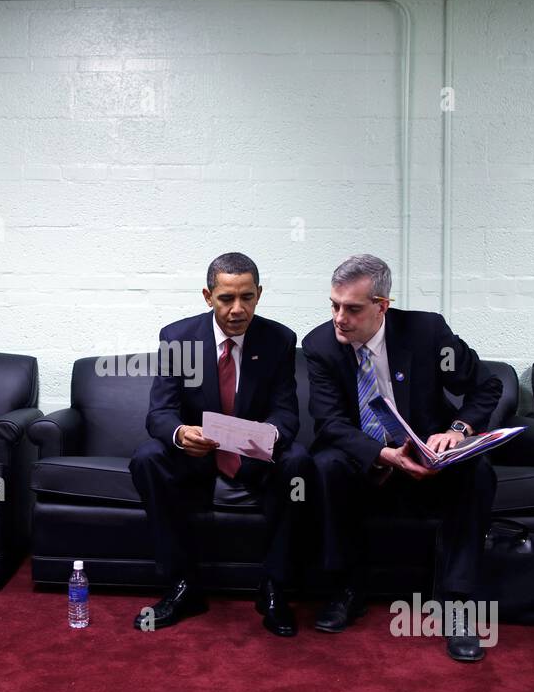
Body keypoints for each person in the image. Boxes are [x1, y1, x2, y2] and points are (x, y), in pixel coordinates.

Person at [302, 254, 501, 662]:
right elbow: (330, 422)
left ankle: (457, 604)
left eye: (353, 308)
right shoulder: (320, 345)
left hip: (430, 459)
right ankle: (347, 589)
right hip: (366, 460)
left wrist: (457, 431)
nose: (340, 318)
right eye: (334, 305)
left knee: (477, 471)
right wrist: (383, 454)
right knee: (324, 464)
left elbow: (486, 386)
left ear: (382, 306)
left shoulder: (427, 332)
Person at [130, 253, 311, 637]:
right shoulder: (178, 338)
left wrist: (268, 436)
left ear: (259, 295)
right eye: (226, 298)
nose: (237, 309)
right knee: (147, 458)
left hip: (253, 455)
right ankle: (183, 585)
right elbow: (159, 413)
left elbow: (287, 414)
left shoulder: (279, 340)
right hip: (198, 454)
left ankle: (275, 587)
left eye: (247, 297)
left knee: (298, 462)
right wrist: (181, 434)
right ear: (207, 296)